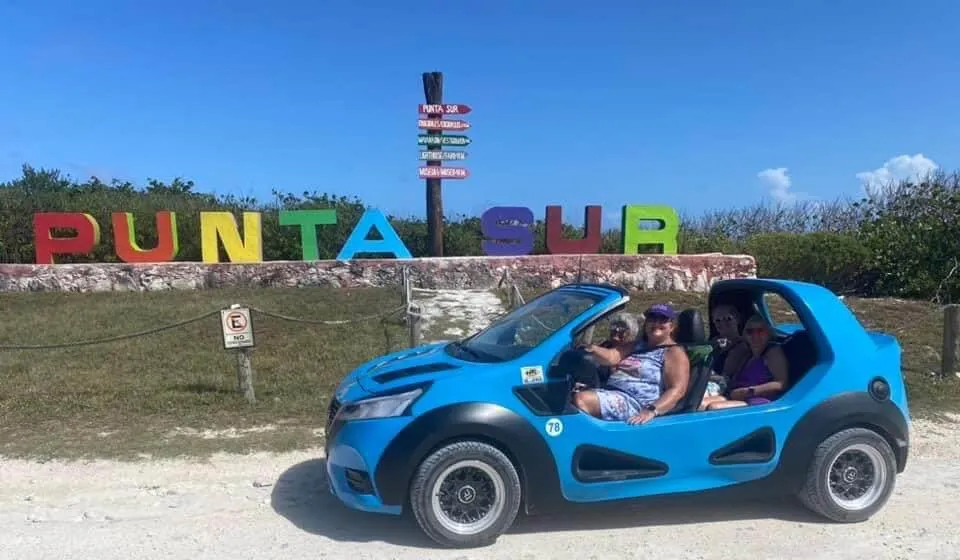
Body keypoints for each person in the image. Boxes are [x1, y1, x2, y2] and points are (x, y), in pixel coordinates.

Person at [572, 304, 690, 425]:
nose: (656, 323)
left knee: (582, 400)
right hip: (612, 392)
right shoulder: (637, 345)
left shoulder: (673, 352)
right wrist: (593, 349)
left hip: (637, 404)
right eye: (652, 319)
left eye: (662, 320)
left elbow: (677, 390)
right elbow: (612, 357)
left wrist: (652, 410)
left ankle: (588, 441)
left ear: (671, 326)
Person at [701, 314, 788, 410]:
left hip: (759, 400)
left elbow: (781, 384)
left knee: (714, 408)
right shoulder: (747, 354)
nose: (755, 335)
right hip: (737, 396)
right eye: (750, 332)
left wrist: (750, 391)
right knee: (700, 404)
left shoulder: (773, 353)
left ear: (768, 333)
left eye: (760, 331)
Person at [702, 304, 751, 399]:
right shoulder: (713, 342)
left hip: (722, 387)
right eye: (718, 320)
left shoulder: (741, 346)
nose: (723, 323)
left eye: (728, 319)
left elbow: (726, 377)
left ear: (737, 320)